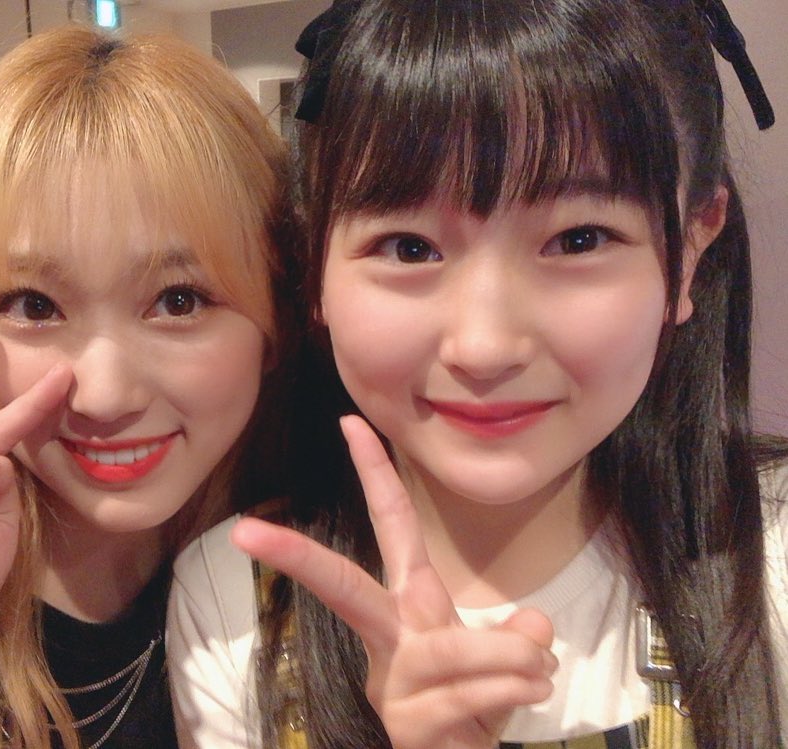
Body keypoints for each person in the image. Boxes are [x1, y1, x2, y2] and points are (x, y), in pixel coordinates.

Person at [167, 0, 787, 747]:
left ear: (691, 248)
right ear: (315, 266)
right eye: (409, 248)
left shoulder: (773, 555)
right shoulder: (238, 605)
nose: (485, 348)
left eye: (579, 239)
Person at [0, 23, 296, 749]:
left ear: (275, 315)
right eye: (34, 306)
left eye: (178, 300)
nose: (104, 396)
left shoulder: (313, 580)